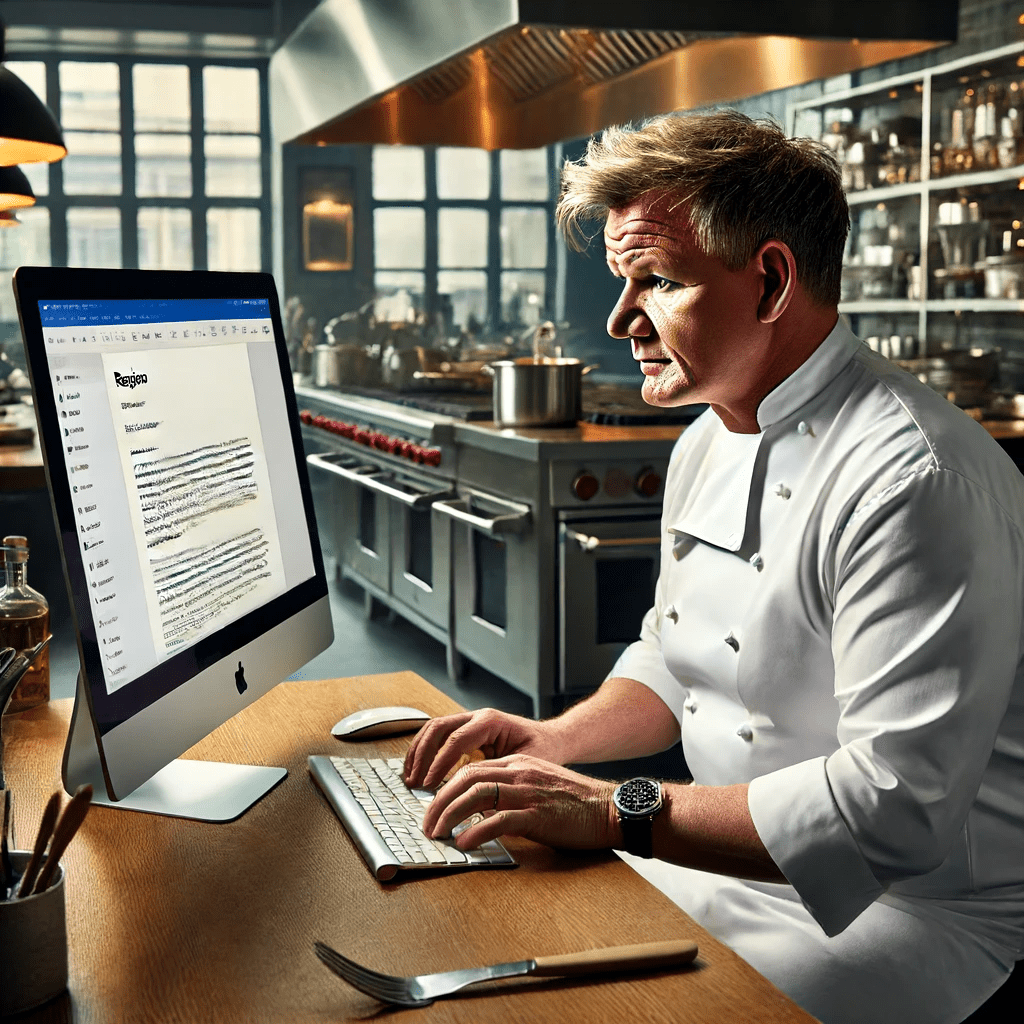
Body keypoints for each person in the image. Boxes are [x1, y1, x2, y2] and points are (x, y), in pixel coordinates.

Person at [403, 111, 1024, 1024]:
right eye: (623, 281)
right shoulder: (705, 439)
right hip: (717, 861)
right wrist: (557, 743)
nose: (621, 320)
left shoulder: (915, 479)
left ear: (770, 280)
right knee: (493, 954)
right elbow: (673, 649)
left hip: (916, 917)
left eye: (657, 281)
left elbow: (894, 809)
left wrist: (616, 810)